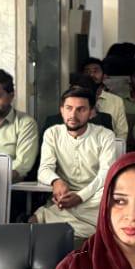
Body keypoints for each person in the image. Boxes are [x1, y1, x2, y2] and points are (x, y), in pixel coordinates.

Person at [33, 87, 119, 238]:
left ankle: (55, 222)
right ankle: (91, 229)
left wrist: (80, 197)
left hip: (94, 198)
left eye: (81, 109)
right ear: (62, 110)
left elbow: (105, 174)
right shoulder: (52, 133)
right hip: (64, 197)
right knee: (34, 222)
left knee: (108, 192)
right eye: (69, 108)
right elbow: (44, 169)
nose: (73, 115)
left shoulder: (105, 135)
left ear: (92, 113)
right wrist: (56, 181)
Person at [82, 57, 130, 139]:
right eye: (87, 71)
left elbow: (121, 134)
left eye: (96, 71)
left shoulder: (116, 101)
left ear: (104, 76)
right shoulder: (75, 100)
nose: (91, 75)